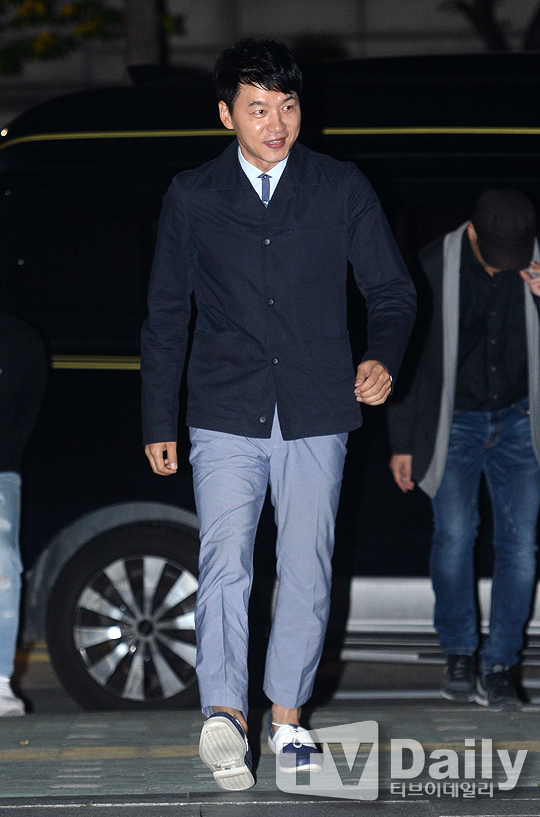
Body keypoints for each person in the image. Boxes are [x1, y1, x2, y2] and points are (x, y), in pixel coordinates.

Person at [141, 37, 416, 790]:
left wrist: (383, 357)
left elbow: (392, 290)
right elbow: (166, 314)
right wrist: (158, 418)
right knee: (225, 563)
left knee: (305, 566)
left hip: (317, 408)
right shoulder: (192, 195)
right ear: (226, 114)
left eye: (287, 107)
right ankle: (226, 716)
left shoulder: (340, 187)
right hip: (224, 408)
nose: (276, 123)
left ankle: (288, 718)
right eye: (258, 109)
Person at [389, 188, 540, 712]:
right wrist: (402, 442)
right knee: (454, 536)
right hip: (453, 423)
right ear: (472, 234)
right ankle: (458, 653)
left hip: (521, 420)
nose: (502, 268)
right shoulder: (432, 267)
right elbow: (406, 359)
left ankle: (499, 666)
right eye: (495, 257)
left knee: (520, 545)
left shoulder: (535, 265)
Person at [0, 311, 47, 716]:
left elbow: (25, 411)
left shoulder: (18, 340)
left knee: (2, 561)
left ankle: (0, 681)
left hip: (0, 467)